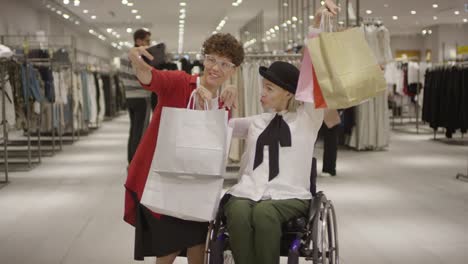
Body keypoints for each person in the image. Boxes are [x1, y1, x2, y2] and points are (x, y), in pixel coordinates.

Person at [223, 2, 338, 264]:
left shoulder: (307, 119)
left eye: (269, 88)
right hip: (250, 190)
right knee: (237, 211)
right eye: (262, 87)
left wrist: (317, 28)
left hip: (290, 193)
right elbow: (221, 127)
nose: (262, 93)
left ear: (289, 93)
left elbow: (312, 77)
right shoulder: (257, 121)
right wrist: (220, 100)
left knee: (264, 213)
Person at [124, 33, 244, 264]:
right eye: (211, 59)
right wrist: (137, 63)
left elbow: (218, 148)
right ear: (203, 59)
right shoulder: (180, 82)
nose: (215, 68)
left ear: (233, 70)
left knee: (198, 247)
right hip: (165, 180)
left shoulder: (224, 103)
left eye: (224, 64)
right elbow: (151, 78)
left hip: (198, 186)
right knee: (168, 251)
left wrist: (213, 106)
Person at [125, 29, 152, 164]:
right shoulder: (138, 57)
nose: (149, 43)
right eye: (147, 40)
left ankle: (131, 159)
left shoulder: (125, 57)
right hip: (141, 96)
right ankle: (137, 162)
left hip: (129, 97)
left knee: (134, 130)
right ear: (138, 41)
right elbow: (144, 76)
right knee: (141, 131)